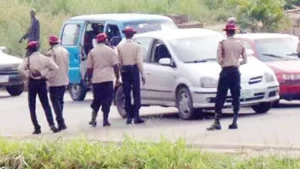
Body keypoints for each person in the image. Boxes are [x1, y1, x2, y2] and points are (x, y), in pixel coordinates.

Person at [207, 23, 247, 131]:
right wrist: (237, 63)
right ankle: (234, 121)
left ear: (226, 32)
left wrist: (224, 62)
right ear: (234, 32)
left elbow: (219, 59)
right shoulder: (240, 44)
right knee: (236, 96)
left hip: (225, 71)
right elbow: (245, 60)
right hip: (235, 71)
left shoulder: (222, 43)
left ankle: (217, 121)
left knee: (221, 95)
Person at [18, 41, 59, 134]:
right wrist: (47, 76)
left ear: (30, 50)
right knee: (46, 104)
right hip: (42, 83)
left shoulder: (28, 59)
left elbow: (20, 68)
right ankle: (52, 125)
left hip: (32, 83)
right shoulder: (45, 59)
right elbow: (56, 68)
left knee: (32, 106)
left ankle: (36, 127)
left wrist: (28, 75)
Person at [86, 33, 120, 127]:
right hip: (108, 78)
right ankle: (105, 120)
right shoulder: (110, 51)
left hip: (97, 79)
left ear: (97, 41)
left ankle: (93, 118)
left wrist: (89, 79)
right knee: (107, 100)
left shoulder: (92, 52)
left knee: (97, 99)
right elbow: (115, 66)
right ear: (105, 40)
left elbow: (89, 68)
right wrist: (117, 77)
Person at [116, 27, 145, 125]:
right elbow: (139, 61)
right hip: (134, 70)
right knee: (136, 93)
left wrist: (120, 72)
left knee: (127, 94)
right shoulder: (137, 46)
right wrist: (143, 74)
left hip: (125, 70)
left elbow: (118, 62)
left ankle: (129, 117)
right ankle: (136, 116)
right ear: (133, 35)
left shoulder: (120, 47)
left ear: (125, 35)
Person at [46, 35, 69, 131]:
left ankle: (61, 121)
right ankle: (61, 121)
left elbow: (51, 66)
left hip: (54, 81)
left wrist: (47, 77)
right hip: (64, 79)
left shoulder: (51, 52)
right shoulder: (65, 51)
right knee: (60, 102)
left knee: (55, 103)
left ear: (50, 43)